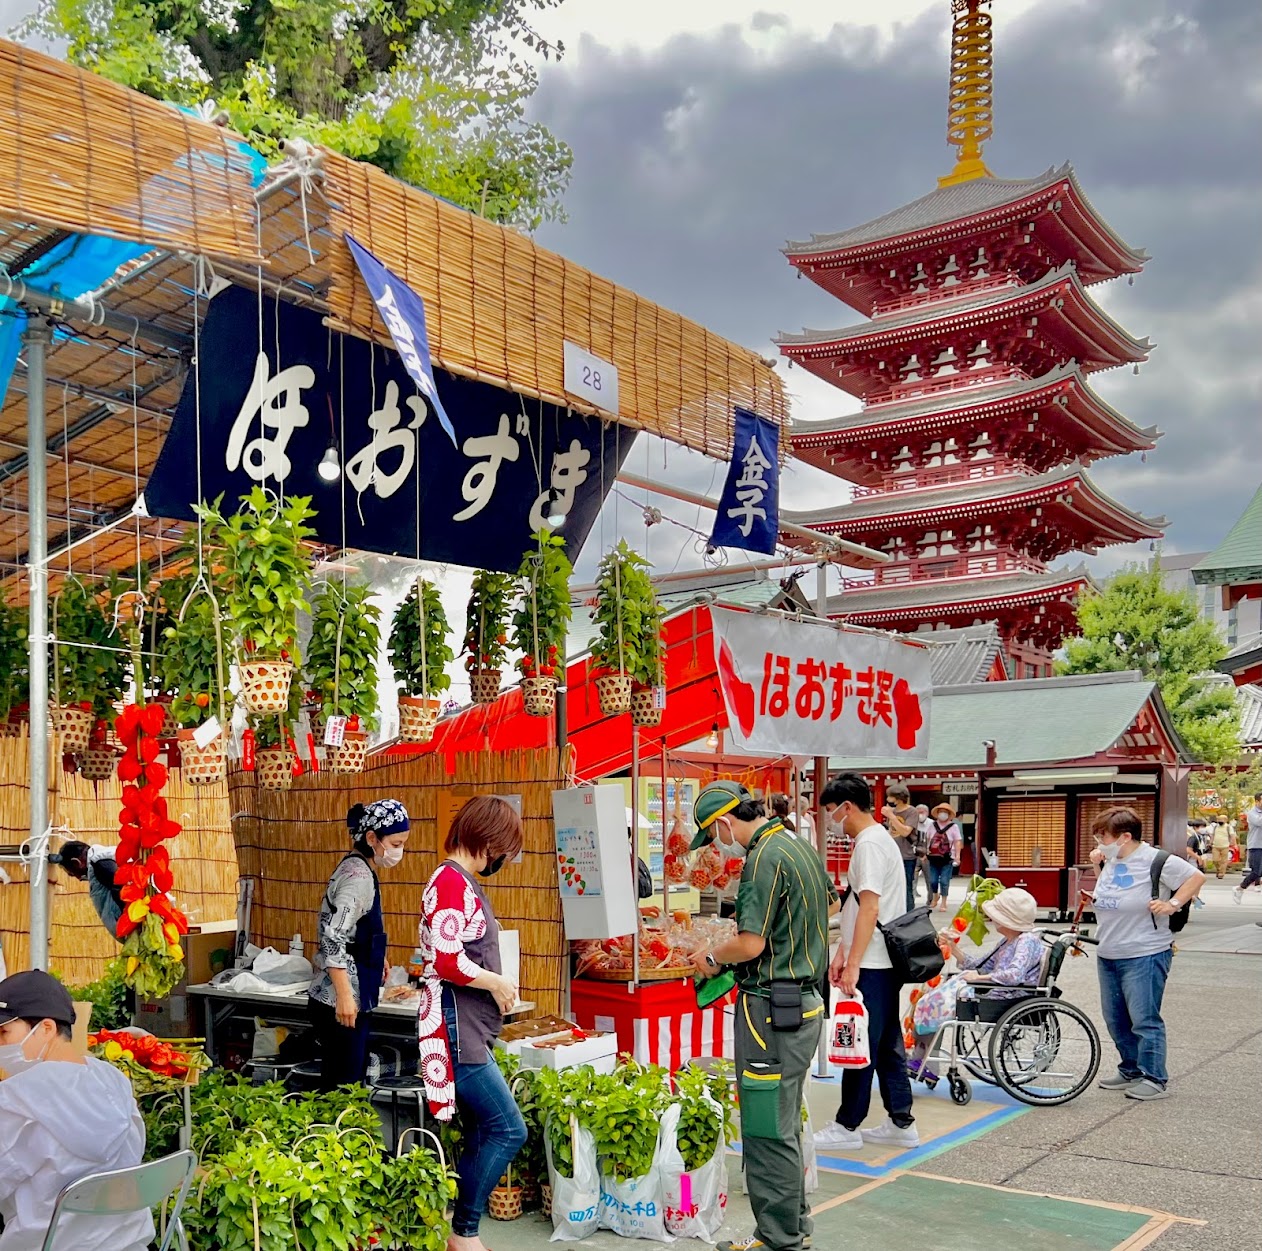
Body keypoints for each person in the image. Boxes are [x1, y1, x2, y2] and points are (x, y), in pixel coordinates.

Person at [689, 780, 838, 1251]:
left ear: (725, 821)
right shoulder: (796, 843)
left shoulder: (762, 858)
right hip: (806, 1001)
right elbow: (831, 902)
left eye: (713, 835)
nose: (718, 844)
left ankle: (778, 1240)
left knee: (765, 1125)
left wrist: (713, 956)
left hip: (770, 1009)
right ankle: (793, 1227)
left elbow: (749, 943)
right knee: (785, 1119)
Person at [418, 796, 527, 1251]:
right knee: (508, 1128)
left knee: (486, 1128)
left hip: (468, 1027)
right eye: (502, 848)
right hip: (456, 1029)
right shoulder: (449, 882)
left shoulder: (457, 881)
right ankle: (464, 1234)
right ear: (488, 841)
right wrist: (496, 983)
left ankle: (462, 1231)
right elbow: (446, 959)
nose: (501, 858)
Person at [0, 970, 152, 1251]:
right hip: (128, 1244)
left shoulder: (15, 1099)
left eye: (3, 1032)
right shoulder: (113, 1079)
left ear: (46, 1028)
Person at [815, 773, 919, 1152]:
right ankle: (900, 1120)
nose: (830, 820)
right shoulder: (875, 841)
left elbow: (870, 906)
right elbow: (857, 903)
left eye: (830, 811)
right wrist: (844, 949)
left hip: (875, 960)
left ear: (847, 807)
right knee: (886, 1040)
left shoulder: (870, 845)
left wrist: (853, 961)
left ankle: (848, 1125)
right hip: (878, 958)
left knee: (860, 1041)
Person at [1089, 806, 1203, 1101]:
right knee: (1116, 1018)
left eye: (1104, 837)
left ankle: (1154, 1076)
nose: (1100, 843)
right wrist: (1097, 867)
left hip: (1145, 951)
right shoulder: (1111, 860)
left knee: (1144, 1017)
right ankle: (1131, 1069)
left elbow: (1195, 878)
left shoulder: (1156, 860)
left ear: (1125, 837)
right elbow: (1108, 893)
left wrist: (1173, 904)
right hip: (1109, 950)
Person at [308, 799, 410, 1089]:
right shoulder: (358, 877)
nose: (399, 850)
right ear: (371, 838)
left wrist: (377, 957)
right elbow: (333, 937)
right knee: (343, 1085)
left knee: (343, 1079)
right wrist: (344, 997)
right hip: (339, 1000)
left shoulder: (358, 867)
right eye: (395, 842)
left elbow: (355, 928)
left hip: (345, 993)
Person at [907, 887, 1043, 1086]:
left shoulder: (1026, 942)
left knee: (933, 1004)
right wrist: (954, 948)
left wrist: (981, 978)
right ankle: (924, 1059)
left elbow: (1014, 975)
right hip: (996, 991)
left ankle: (924, 1061)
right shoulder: (1009, 940)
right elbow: (980, 966)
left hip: (1006, 996)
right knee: (930, 1000)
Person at [50, 840, 125, 937]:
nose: (79, 879)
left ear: (77, 863)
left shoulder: (100, 865)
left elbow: (121, 888)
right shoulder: (98, 863)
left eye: (73, 874)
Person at [880, 783, 920, 911]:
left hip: (906, 854)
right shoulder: (891, 811)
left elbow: (905, 832)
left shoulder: (911, 811)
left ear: (898, 798)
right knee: (891, 886)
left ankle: (909, 913)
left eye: (890, 797)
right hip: (891, 854)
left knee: (907, 886)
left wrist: (891, 816)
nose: (888, 800)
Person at [925, 803, 962, 912]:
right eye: (941, 811)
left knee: (945, 881)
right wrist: (926, 851)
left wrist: (957, 856)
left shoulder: (953, 826)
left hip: (948, 858)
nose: (942, 814)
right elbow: (928, 839)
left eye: (945, 812)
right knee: (933, 880)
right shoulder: (932, 825)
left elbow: (957, 841)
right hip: (933, 857)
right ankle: (936, 896)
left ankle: (944, 902)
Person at [1233, 793, 1262, 907]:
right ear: (1257, 801)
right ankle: (1239, 888)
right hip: (1256, 846)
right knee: (1256, 872)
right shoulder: (1251, 813)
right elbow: (1259, 822)